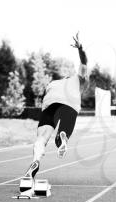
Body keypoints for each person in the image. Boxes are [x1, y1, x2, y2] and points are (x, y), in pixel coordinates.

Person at [24, 33, 88, 178]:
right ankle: (62, 137)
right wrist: (80, 49)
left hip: (50, 103)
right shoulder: (78, 79)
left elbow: (43, 100)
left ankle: (36, 160)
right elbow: (84, 62)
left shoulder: (52, 83)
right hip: (69, 104)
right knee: (63, 131)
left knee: (42, 137)